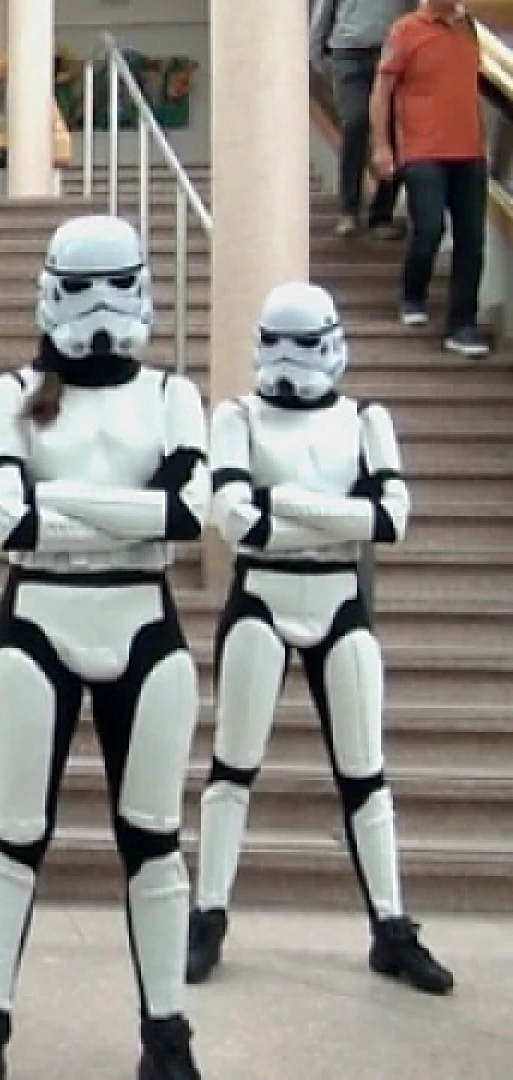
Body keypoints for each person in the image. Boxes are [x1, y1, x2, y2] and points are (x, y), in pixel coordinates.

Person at [0, 215, 208, 1080]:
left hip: (139, 624)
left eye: (114, 284)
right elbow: (5, 523)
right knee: (11, 836)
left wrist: (64, 510)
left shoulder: (171, 394)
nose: (98, 307)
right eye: (82, 286)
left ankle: (167, 1036)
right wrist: (132, 518)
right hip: (40, 626)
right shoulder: (8, 392)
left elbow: (189, 516)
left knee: (156, 840)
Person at [186, 281, 453, 995]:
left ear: (334, 340)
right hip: (265, 596)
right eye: (280, 340)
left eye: (307, 341)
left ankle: (391, 925)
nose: (292, 358)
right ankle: (207, 914)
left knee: (364, 773)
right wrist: (341, 512)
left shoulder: (366, 418)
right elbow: (235, 517)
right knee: (232, 766)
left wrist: (281, 506)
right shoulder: (237, 415)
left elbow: (393, 518)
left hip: (337, 600)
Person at [371, 0, 490, 356]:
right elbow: (382, 92)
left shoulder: (468, 27)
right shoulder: (406, 30)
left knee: (472, 240)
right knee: (430, 229)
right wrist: (381, 146)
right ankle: (413, 293)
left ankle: (462, 325)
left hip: (471, 153)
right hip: (423, 151)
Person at [310, 0, 409, 238]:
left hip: (393, 51)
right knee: (355, 123)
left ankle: (382, 214)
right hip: (348, 53)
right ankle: (348, 210)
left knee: (395, 130)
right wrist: (315, 53)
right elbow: (324, 10)